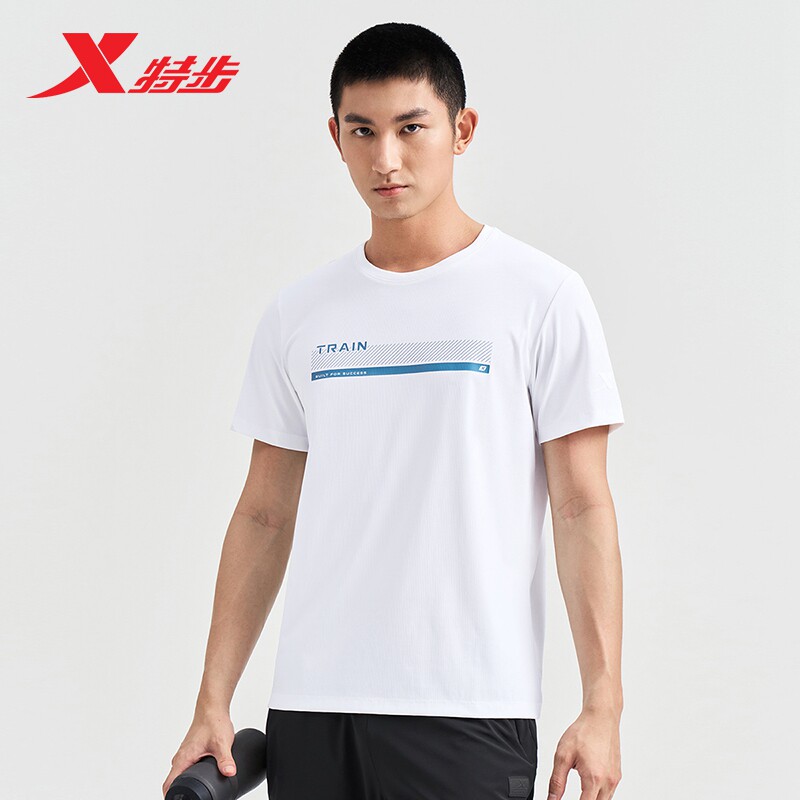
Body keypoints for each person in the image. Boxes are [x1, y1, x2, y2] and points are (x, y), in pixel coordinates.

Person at [163, 21, 625, 800]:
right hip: (312, 710)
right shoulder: (299, 314)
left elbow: (582, 504)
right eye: (363, 131)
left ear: (461, 130)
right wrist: (213, 697)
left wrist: (602, 704)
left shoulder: (542, 297)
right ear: (336, 138)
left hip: (468, 709)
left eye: (411, 128)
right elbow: (264, 514)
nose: (386, 158)